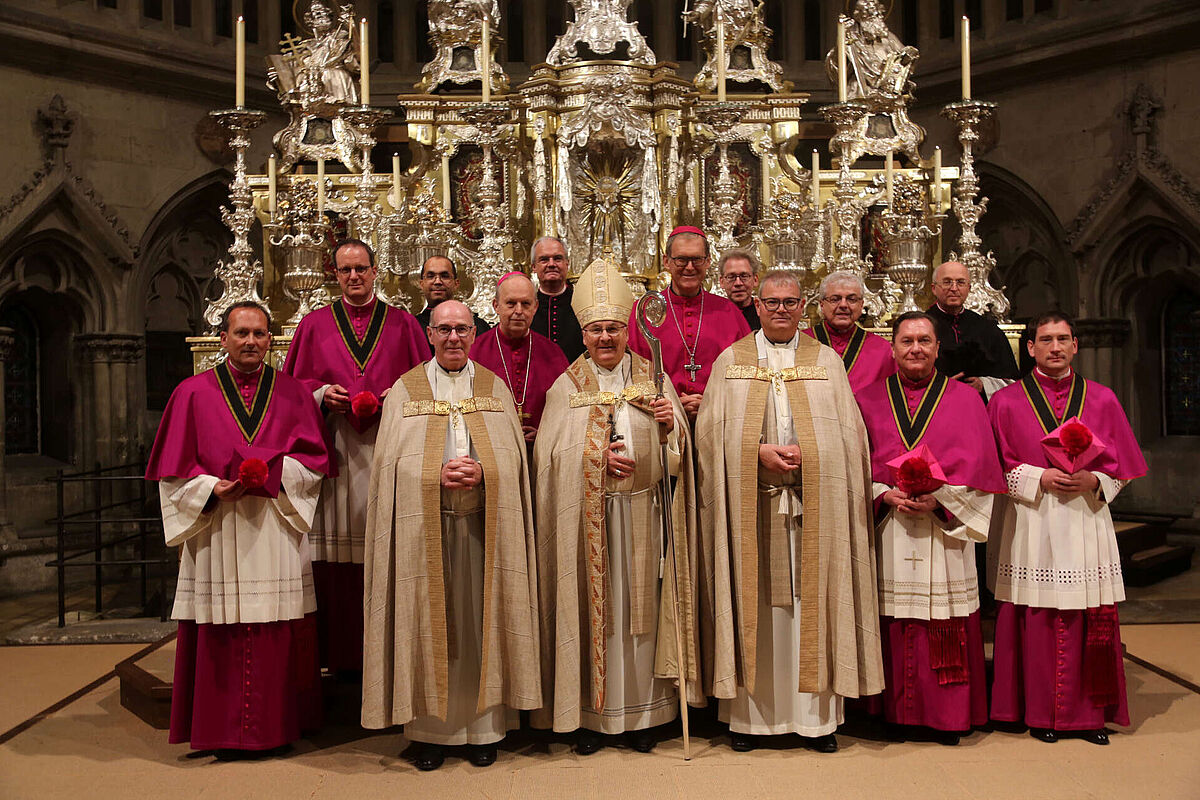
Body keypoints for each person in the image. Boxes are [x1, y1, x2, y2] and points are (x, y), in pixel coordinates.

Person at [696, 271, 884, 753]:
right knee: (752, 605)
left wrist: (812, 456)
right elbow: (710, 442)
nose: (781, 309)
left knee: (811, 606)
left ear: (805, 307)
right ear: (756, 306)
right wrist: (755, 453)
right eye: (772, 302)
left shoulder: (826, 363)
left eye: (791, 302)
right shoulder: (730, 362)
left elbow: (850, 440)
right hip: (751, 509)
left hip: (811, 512)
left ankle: (816, 722)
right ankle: (750, 721)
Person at [146, 301, 334, 755]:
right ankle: (220, 731)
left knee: (277, 627)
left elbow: (316, 464)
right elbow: (171, 475)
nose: (251, 342)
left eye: (259, 334)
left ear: (271, 340)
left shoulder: (292, 393)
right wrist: (212, 488)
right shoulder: (190, 393)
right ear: (223, 338)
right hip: (217, 528)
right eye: (242, 333)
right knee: (220, 630)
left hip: (274, 525)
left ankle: (275, 727)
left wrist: (272, 474)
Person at [361, 300, 540, 772]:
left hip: (484, 528)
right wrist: (432, 475)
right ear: (429, 333)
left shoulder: (493, 387)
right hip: (426, 529)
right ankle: (428, 734)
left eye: (462, 329)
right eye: (444, 330)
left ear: (474, 332)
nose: (454, 338)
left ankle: (484, 730)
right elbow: (388, 467)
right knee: (426, 623)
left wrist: (486, 470)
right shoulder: (406, 390)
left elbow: (514, 459)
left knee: (482, 625)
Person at [533, 256, 701, 754]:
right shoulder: (567, 387)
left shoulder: (654, 378)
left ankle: (645, 715)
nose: (605, 338)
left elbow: (680, 458)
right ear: (583, 335)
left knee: (641, 616)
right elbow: (549, 457)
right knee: (595, 617)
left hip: (645, 515)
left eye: (613, 329)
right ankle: (594, 717)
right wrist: (593, 459)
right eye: (596, 330)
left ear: (627, 331)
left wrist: (671, 427)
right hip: (591, 519)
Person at [987, 312, 1147, 745]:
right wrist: (1038, 477)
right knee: (1036, 618)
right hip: (1031, 521)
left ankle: (1089, 716)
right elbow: (994, 464)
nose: (1054, 347)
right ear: (1031, 348)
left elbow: (1123, 466)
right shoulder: (1005, 402)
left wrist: (1096, 480)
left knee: (1089, 616)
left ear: (1076, 345)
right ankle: (1037, 712)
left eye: (1063, 339)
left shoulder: (1103, 399)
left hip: (1084, 518)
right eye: (1045, 340)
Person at [855, 311, 1006, 744]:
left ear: (938, 348)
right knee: (890, 617)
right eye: (906, 341)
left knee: (944, 619)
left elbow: (981, 472)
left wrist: (940, 499)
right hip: (889, 526)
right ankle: (888, 713)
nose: (916, 349)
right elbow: (850, 468)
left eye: (924, 340)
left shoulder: (964, 399)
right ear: (893, 348)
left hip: (945, 532)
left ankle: (947, 716)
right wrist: (884, 495)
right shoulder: (866, 398)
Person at [281, 238, 427, 676]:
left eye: (361, 268)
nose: (354, 277)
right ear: (335, 274)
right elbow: (291, 393)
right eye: (345, 270)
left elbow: (426, 382)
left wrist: (396, 394)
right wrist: (323, 393)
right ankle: (340, 655)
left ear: (375, 270)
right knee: (336, 560)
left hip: (390, 449)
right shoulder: (313, 325)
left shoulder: (403, 325)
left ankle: (392, 653)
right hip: (337, 454)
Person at [628, 226, 752, 422]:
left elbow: (748, 377)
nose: (689, 267)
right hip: (660, 423)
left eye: (697, 259)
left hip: (719, 422)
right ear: (667, 261)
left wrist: (710, 402)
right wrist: (670, 404)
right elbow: (630, 376)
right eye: (681, 260)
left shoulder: (729, 313)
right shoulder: (643, 311)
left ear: (708, 261)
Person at [469, 272, 569, 443]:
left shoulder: (553, 353)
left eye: (525, 303)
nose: (519, 311)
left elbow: (567, 411)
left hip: (543, 453)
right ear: (496, 306)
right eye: (510, 303)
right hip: (493, 451)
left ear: (535, 307)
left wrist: (545, 433)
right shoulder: (475, 351)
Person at [926, 260, 1019, 399]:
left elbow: (1012, 383)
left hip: (979, 406)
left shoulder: (987, 328)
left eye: (960, 282)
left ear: (969, 288)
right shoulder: (920, 326)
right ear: (934, 288)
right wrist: (942, 385)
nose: (954, 288)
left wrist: (984, 385)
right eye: (947, 282)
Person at [804, 270, 896, 394]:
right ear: (822, 305)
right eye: (835, 299)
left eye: (851, 299)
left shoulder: (882, 349)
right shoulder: (802, 342)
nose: (843, 305)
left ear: (861, 305)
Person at [414, 254, 491, 356]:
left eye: (444, 276)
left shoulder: (478, 326)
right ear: (422, 284)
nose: (437, 282)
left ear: (456, 283)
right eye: (430, 276)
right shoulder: (412, 328)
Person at [529, 236, 586, 362]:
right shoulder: (526, 307)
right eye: (544, 259)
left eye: (557, 258)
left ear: (567, 263)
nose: (551, 264)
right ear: (533, 267)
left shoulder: (582, 303)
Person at [716, 248, 761, 332]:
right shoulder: (714, 316)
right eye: (731, 277)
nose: (738, 283)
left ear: (755, 280)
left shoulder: (765, 314)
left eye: (744, 276)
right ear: (721, 282)